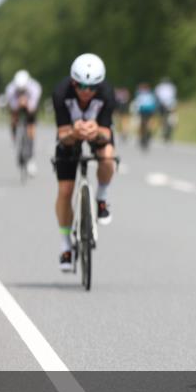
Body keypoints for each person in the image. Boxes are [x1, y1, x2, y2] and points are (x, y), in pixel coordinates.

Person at [53, 53, 116, 272]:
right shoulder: (61, 93)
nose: (86, 91)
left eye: (92, 87)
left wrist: (95, 130)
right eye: (81, 86)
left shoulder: (107, 93)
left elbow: (107, 134)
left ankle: (101, 198)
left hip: (96, 133)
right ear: (73, 82)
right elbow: (61, 134)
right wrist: (74, 132)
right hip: (70, 136)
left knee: (107, 157)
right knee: (65, 190)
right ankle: (65, 245)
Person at [4, 69, 42, 175]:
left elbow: (32, 107)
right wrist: (18, 104)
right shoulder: (10, 89)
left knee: (31, 126)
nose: (21, 91)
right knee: (13, 118)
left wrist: (26, 104)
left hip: (30, 105)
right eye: (19, 90)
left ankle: (31, 158)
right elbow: (12, 106)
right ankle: (15, 137)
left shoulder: (35, 87)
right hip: (16, 105)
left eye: (23, 90)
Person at [131, 83, 159, 147]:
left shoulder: (140, 94)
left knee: (142, 124)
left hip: (143, 110)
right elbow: (154, 103)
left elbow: (138, 102)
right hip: (149, 110)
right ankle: (147, 133)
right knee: (148, 123)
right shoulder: (151, 94)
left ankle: (144, 135)